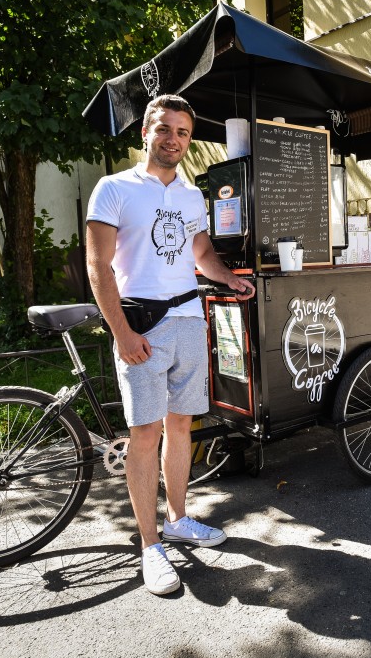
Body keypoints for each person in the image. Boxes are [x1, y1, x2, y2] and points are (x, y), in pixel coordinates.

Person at [86, 93, 255, 596]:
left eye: (182, 132)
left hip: (188, 319)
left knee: (181, 425)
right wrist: (121, 333)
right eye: (164, 129)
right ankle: (149, 546)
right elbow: (98, 266)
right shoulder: (113, 188)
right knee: (145, 433)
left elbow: (200, 250)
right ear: (145, 132)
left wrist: (227, 279)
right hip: (141, 325)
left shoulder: (190, 195)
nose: (173, 139)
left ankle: (179, 519)